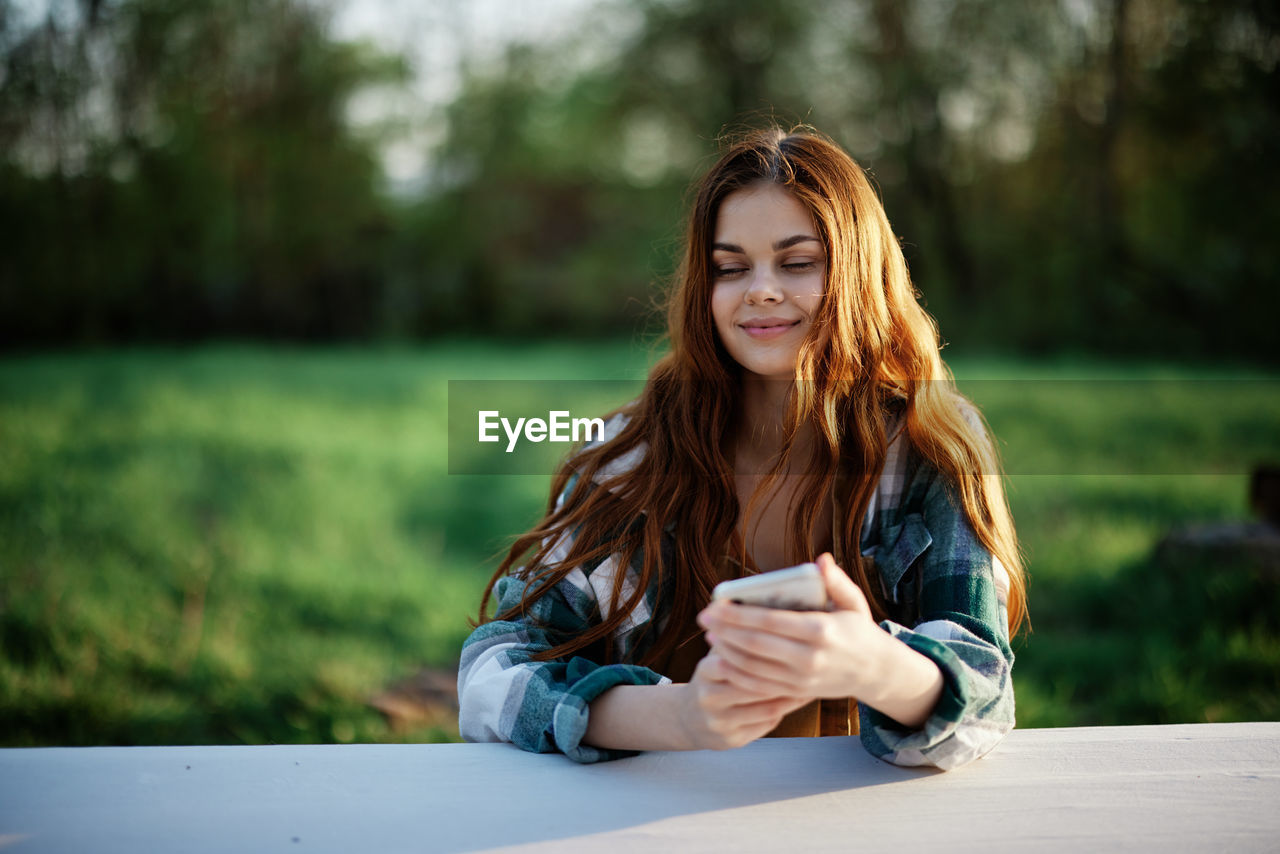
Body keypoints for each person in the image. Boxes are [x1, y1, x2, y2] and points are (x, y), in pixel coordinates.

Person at [457, 125, 1027, 771]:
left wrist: (871, 662)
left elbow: (984, 695)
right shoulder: (630, 459)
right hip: (651, 816)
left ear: (857, 273)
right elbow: (491, 674)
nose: (759, 289)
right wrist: (681, 715)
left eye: (797, 262)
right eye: (731, 268)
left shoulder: (932, 448)